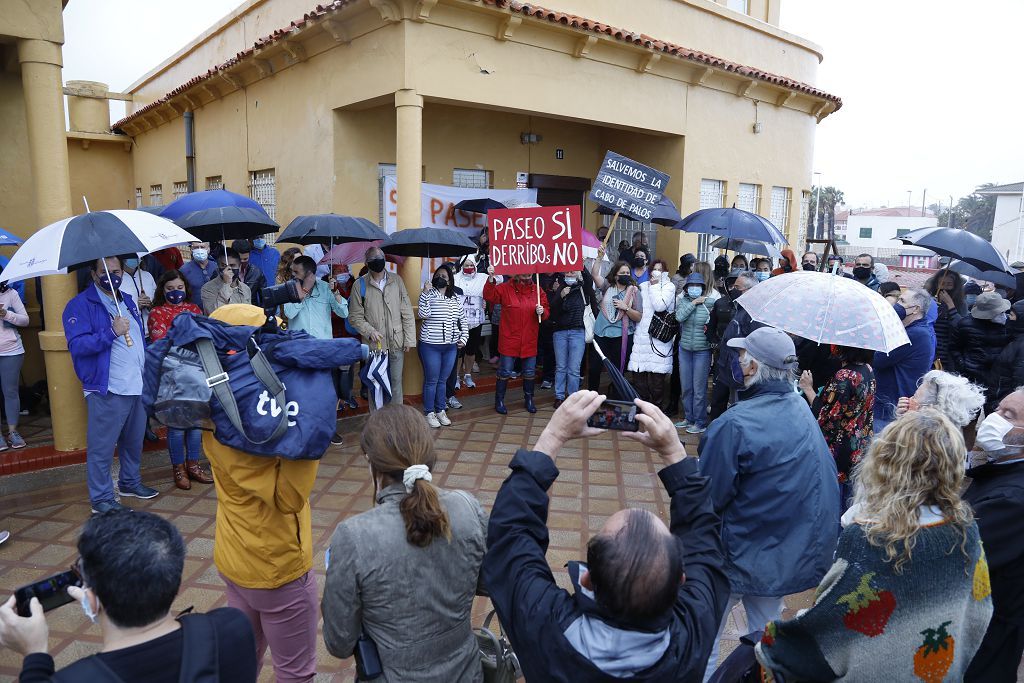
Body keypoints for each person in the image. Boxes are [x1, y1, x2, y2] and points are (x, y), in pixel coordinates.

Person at [482, 391, 730, 682]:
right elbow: (703, 540)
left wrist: (554, 434)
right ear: (681, 581)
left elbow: (511, 535)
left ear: (586, 579)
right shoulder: (694, 630)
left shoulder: (542, 623)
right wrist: (674, 452)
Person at [755, 410, 992, 682]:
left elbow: (831, 620)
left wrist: (779, 642)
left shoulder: (869, 537)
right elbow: (979, 610)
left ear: (887, 461)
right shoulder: (965, 528)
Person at [699, 326, 840, 679]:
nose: (737, 361)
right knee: (767, 643)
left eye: (743, 356)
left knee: (703, 640)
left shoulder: (735, 423)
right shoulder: (800, 408)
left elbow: (707, 498)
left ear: (752, 367)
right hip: (781, 555)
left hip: (735, 554)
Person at [198, 303, 322, 682]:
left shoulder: (212, 410)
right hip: (278, 569)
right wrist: (310, 431)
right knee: (295, 671)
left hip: (234, 559)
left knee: (242, 661)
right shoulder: (272, 423)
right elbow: (287, 499)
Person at [322, 405, 488, 682]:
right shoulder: (466, 506)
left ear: (371, 461)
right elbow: (484, 582)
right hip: (466, 672)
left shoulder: (354, 536)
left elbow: (339, 642)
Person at [0, 509, 257, 682]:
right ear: (175, 583)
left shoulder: (74, 678)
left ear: (91, 600)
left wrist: (34, 653)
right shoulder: (231, 628)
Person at [64, 256, 158, 514]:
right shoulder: (79, 305)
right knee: (102, 448)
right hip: (108, 388)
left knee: (133, 441)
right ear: (93, 274)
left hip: (136, 383)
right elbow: (78, 346)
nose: (112, 275)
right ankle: (102, 499)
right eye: (105, 271)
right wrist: (111, 332)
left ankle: (129, 482)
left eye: (115, 271)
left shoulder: (126, 299)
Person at [963, 389, 1024, 681]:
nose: (994, 420)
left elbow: (954, 550)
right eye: (998, 410)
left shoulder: (1013, 500)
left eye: (1008, 416)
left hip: (984, 641)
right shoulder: (1000, 466)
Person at [148, 270, 213, 490]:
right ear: (162, 290)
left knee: (195, 422)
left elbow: (202, 337)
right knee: (176, 424)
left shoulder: (194, 310)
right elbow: (162, 342)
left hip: (195, 372)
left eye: (179, 288)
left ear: (186, 288)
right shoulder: (157, 313)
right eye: (170, 289)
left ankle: (193, 465)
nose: (175, 292)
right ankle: (178, 468)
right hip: (172, 374)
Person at [798, 344, 876, 509]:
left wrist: (807, 388)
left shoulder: (845, 376)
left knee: (833, 501)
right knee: (849, 500)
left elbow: (825, 416)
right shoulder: (867, 369)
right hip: (859, 444)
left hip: (838, 449)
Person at [347, 246, 416, 410]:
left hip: (396, 341)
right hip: (374, 346)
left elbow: (406, 310)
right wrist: (369, 331)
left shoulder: (396, 281)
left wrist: (409, 338)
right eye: (374, 259)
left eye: (380, 258)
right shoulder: (360, 285)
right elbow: (355, 317)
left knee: (396, 384)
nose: (378, 262)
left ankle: (396, 420)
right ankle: (377, 422)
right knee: (376, 385)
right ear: (367, 263)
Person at [484, 267, 549, 414]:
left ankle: (529, 399)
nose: (527, 274)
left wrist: (542, 311)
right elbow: (489, 296)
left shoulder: (538, 291)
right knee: (505, 371)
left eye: (530, 271)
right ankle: (499, 400)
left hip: (529, 340)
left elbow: (546, 311)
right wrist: (491, 278)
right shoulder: (505, 288)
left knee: (529, 372)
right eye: (524, 271)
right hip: (509, 340)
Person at [873, 288, 937, 433]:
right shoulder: (917, 330)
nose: (897, 304)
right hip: (891, 401)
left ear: (915, 309)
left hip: (889, 406)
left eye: (902, 301)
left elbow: (878, 359)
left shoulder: (915, 334)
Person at [709, 272, 763, 422]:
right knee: (719, 402)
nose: (733, 289)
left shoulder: (754, 314)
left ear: (749, 290)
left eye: (737, 287)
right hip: (727, 365)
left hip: (740, 369)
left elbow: (752, 342)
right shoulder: (741, 308)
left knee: (738, 407)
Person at [418, 264, 468, 428]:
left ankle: (440, 410)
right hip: (430, 345)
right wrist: (425, 293)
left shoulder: (454, 298)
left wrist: (464, 337)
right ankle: (429, 412)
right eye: (438, 275)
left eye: (444, 276)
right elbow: (423, 314)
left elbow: (462, 320)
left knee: (443, 380)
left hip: (450, 346)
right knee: (431, 380)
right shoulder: (428, 294)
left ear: (449, 280)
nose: (441, 278)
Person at [588, 254, 642, 399]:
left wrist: (626, 308)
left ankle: (618, 402)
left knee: (618, 371)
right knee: (594, 368)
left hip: (621, 336)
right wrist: (598, 257)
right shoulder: (607, 287)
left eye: (627, 273)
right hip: (601, 334)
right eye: (622, 273)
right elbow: (594, 274)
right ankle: (591, 399)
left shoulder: (634, 291)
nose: (625, 275)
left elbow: (638, 316)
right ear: (615, 275)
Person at [894, 369, 986, 453]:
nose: (908, 399)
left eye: (914, 398)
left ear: (930, 410)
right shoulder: (949, 435)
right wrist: (901, 421)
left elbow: (896, 457)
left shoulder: (932, 446)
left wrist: (903, 427)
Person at [628, 259, 676, 407]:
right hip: (642, 336)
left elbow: (659, 306)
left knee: (657, 382)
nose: (656, 272)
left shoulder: (669, 286)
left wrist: (655, 287)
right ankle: (642, 411)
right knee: (639, 379)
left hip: (659, 337)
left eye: (660, 270)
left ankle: (657, 413)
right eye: (654, 269)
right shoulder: (642, 286)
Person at [675, 272, 717, 434]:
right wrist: (693, 303)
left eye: (698, 286)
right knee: (686, 387)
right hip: (684, 349)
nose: (694, 288)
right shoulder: (683, 302)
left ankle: (700, 421)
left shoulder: (710, 303)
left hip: (702, 351)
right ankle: (689, 418)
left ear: (703, 288)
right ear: (686, 288)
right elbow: (679, 317)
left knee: (699, 388)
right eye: (691, 286)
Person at [951, 291, 1011, 404]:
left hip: (998, 376)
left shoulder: (1009, 325)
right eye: (999, 312)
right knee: (970, 409)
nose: (1003, 315)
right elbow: (954, 347)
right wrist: (962, 364)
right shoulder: (965, 324)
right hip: (972, 375)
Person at [549, 269, 593, 409]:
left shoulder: (583, 288)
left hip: (578, 332)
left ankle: (573, 397)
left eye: (572, 272)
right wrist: (560, 296)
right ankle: (559, 397)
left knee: (574, 368)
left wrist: (582, 266)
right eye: (567, 273)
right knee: (561, 367)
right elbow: (553, 311)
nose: (569, 275)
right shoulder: (560, 287)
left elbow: (589, 280)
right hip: (560, 332)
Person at [453, 256, 491, 391]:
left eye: (471, 265)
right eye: (466, 265)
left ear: (475, 265)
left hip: (476, 321)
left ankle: (467, 375)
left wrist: (492, 273)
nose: (468, 268)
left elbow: (495, 284)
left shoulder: (483, 277)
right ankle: (456, 377)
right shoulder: (455, 278)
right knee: (459, 351)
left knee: (471, 350)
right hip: (458, 321)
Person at [0, 281, 29, 450]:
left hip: (12, 351)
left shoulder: (11, 294)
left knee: (10, 392)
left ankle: (13, 432)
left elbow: (25, 320)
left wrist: (6, 314)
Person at [329, 264, 359, 418]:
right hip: (335, 333)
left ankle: (348, 395)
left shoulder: (354, 285)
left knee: (349, 369)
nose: (342, 274)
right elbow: (331, 311)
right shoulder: (327, 286)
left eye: (344, 271)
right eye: (338, 272)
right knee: (335, 370)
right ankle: (336, 398)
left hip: (351, 335)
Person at [925, 270, 967, 370]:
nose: (945, 287)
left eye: (949, 284)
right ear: (936, 284)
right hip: (929, 348)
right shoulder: (928, 301)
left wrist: (950, 305)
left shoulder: (961, 304)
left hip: (948, 352)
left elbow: (961, 327)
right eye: (942, 284)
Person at [990, 300, 1024, 405]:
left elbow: (1019, 383)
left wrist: (1002, 406)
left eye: (1012, 315)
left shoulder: (1021, 345)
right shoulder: (1014, 338)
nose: (1009, 317)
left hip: (1004, 403)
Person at [200, 248, 251, 315]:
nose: (228, 269)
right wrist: (227, 284)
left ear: (239, 266)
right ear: (218, 267)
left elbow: (249, 313)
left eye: (232, 265)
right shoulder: (208, 288)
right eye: (224, 266)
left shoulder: (245, 289)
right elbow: (214, 314)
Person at [118, 255, 156, 336]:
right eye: (131, 254)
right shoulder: (117, 280)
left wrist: (150, 305)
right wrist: (136, 307)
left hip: (151, 333)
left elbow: (158, 304)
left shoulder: (148, 276)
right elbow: (117, 310)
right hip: (131, 335)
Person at [179, 242, 218, 307]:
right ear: (191, 249)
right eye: (196, 247)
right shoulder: (184, 270)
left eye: (202, 247)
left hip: (216, 311)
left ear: (208, 249)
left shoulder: (216, 267)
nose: (199, 250)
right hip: (194, 313)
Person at [231, 239, 268, 305]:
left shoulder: (256, 272)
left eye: (245, 259)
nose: (242, 262)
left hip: (251, 311)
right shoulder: (223, 272)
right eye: (239, 259)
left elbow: (265, 298)